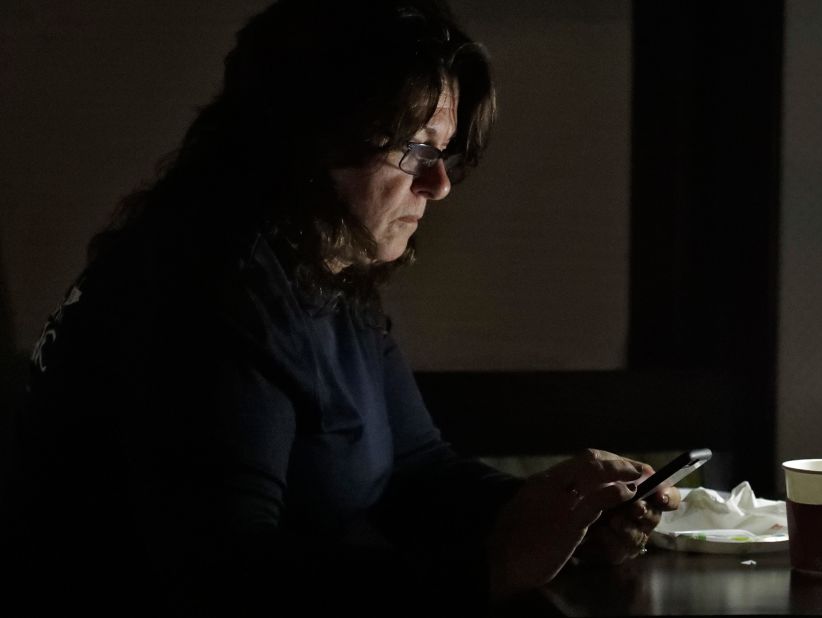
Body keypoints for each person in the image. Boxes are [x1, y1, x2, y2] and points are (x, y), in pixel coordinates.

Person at [7, 1, 681, 614]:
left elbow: (416, 475)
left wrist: (555, 507)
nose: (439, 185)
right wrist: (493, 566)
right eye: (415, 148)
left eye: (444, 154)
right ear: (312, 136)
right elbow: (223, 579)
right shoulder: (208, 290)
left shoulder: (322, 273)